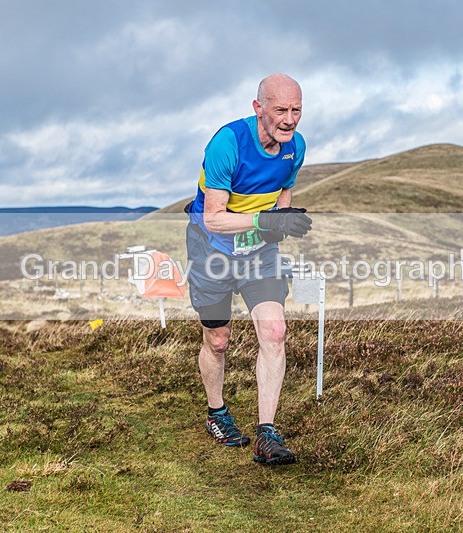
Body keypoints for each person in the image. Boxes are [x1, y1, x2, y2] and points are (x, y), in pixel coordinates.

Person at [185, 73, 312, 465]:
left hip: (259, 253)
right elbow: (214, 219)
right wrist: (266, 222)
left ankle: (266, 434)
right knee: (217, 340)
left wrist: (283, 218)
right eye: (280, 111)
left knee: (275, 332)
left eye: (296, 110)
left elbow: (283, 188)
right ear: (259, 109)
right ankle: (217, 413)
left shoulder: (296, 147)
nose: (290, 120)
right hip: (212, 249)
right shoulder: (228, 143)